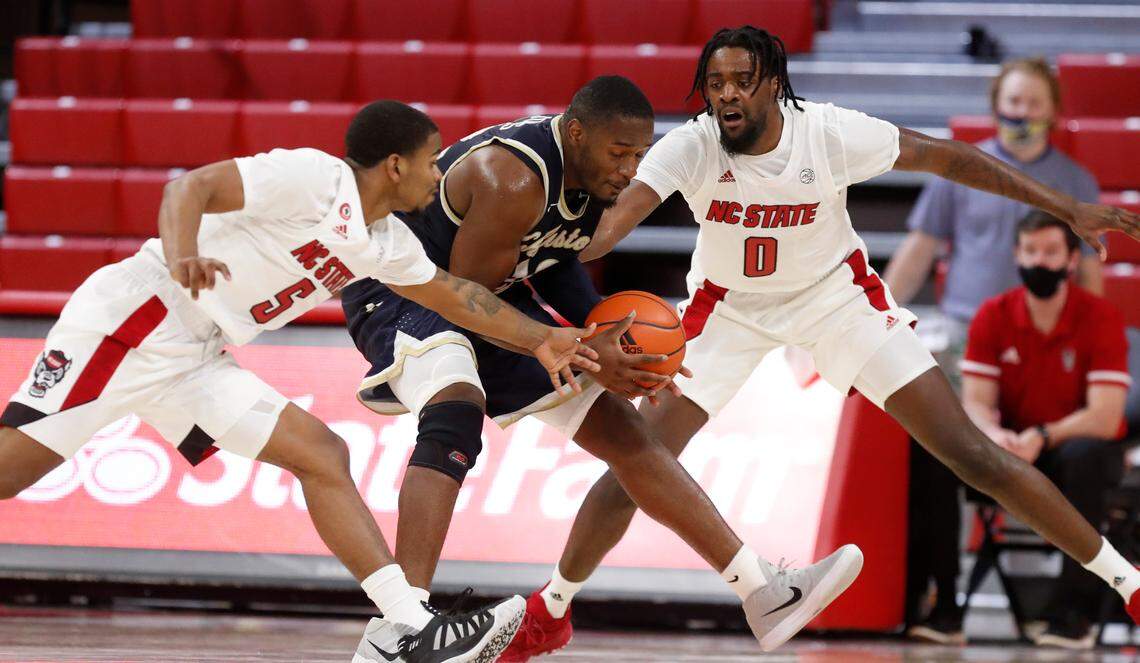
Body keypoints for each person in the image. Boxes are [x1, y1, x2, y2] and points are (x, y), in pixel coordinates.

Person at [499, 26, 1140, 662]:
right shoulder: (693, 145)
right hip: (728, 309)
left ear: (774, 84)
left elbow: (949, 157)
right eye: (715, 83)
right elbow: (611, 226)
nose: (727, 95)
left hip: (835, 299)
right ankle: (549, 611)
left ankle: (1130, 583)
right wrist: (522, 241)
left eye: (742, 81)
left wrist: (1066, 207)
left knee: (969, 452)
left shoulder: (828, 133)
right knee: (637, 460)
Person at [0, 100, 603, 663]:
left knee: (321, 453)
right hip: (141, 317)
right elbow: (191, 187)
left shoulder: (386, 242)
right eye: (430, 160)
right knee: (9, 474)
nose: (438, 172)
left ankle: (407, 627)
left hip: (198, 353)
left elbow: (460, 297)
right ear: (395, 165)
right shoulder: (314, 179)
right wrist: (183, 252)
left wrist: (542, 338)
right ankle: (408, 623)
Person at [342, 75, 864, 655]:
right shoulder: (510, 177)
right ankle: (403, 628)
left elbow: (552, 259)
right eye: (619, 153)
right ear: (576, 133)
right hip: (404, 292)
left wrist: (612, 339)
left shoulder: (594, 185)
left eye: (639, 155)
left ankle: (763, 591)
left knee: (628, 434)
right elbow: (468, 299)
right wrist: (586, 352)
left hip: (488, 296)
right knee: (456, 408)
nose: (628, 168)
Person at [957, 211, 1130, 649]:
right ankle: (939, 607)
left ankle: (1074, 615)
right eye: (1030, 251)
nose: (1039, 262)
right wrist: (994, 436)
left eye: (1051, 252)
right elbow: (975, 402)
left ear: (1072, 261)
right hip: (1011, 446)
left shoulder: (1101, 317)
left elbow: (1106, 416)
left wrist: (1043, 435)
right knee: (933, 453)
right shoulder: (993, 315)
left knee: (1085, 458)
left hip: (1075, 447)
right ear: (1016, 254)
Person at [884, 56, 1103, 386]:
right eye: (1014, 101)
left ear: (1053, 110)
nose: (1022, 112)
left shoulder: (1078, 184)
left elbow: (1089, 272)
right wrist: (880, 317)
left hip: (1044, 339)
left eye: (1034, 103)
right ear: (996, 106)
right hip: (965, 332)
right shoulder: (954, 169)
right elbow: (919, 250)